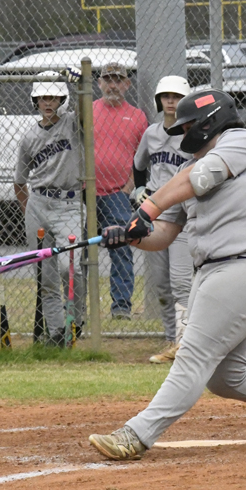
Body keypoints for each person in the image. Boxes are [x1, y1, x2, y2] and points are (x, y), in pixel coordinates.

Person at [88, 89, 246, 459]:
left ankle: (136, 434)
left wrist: (148, 209)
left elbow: (194, 183)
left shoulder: (244, 142)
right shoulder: (183, 171)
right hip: (212, 275)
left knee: (193, 356)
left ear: (210, 121)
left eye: (188, 125)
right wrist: (131, 237)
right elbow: (164, 235)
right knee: (226, 377)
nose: (183, 132)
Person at [13, 69, 86, 346]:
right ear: (35, 101)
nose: (47, 103)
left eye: (53, 97)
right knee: (45, 274)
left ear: (61, 99)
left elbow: (84, 112)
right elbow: (19, 182)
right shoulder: (29, 137)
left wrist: (79, 86)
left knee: (73, 269)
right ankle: (56, 332)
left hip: (69, 203)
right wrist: (29, 209)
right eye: (42, 97)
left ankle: (76, 322)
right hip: (39, 202)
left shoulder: (72, 123)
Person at [132, 75, 192, 363]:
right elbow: (138, 166)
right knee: (161, 284)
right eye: (166, 96)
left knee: (182, 282)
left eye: (176, 97)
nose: (171, 101)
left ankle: (187, 342)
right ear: (159, 100)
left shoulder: (191, 135)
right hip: (156, 213)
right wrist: (139, 188)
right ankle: (172, 340)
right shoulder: (151, 134)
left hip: (181, 214)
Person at [93, 62, 148, 320]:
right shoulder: (88, 111)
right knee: (79, 248)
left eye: (118, 80)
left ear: (127, 84)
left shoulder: (137, 117)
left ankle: (121, 307)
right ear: (99, 83)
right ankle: (78, 306)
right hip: (87, 191)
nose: (113, 85)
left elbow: (141, 158)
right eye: (108, 79)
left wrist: (128, 188)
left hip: (118, 192)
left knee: (121, 246)